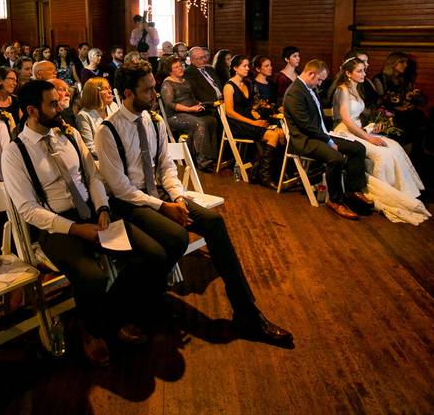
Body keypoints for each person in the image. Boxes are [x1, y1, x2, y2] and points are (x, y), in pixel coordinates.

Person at [95, 60, 293, 347]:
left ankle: (247, 312)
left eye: (154, 88)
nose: (155, 95)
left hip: (161, 194)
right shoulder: (108, 131)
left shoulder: (154, 120)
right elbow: (120, 189)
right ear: (127, 93)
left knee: (214, 222)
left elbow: (166, 167)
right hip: (130, 204)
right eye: (148, 90)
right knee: (174, 237)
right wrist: (164, 207)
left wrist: (177, 197)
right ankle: (143, 302)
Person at [1, 79, 169, 366]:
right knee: (93, 276)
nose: (60, 107)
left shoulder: (67, 134)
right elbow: (28, 209)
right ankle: (93, 331)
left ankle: (109, 317)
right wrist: (76, 228)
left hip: (93, 212)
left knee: (154, 255)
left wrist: (102, 208)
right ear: (31, 110)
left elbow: (92, 176)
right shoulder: (15, 152)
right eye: (52, 104)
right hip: (56, 225)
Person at [328, 58, 431, 224]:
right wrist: (368, 137)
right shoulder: (343, 90)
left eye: (364, 70)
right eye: (360, 71)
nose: (364, 74)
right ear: (348, 73)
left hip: (359, 129)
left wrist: (372, 125)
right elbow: (347, 120)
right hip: (345, 132)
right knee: (381, 154)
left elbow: (359, 115)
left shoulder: (356, 88)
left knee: (394, 147)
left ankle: (402, 190)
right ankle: (368, 192)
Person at [283, 60, 372, 220]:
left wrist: (332, 135)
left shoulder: (308, 87)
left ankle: (353, 190)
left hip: (319, 134)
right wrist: (330, 141)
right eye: (319, 79)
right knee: (335, 157)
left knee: (358, 148)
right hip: (304, 140)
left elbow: (318, 118)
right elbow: (306, 126)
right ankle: (335, 201)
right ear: (311, 73)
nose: (320, 83)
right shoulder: (294, 92)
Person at [222, 55, 285, 187]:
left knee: (280, 133)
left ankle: (263, 171)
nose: (247, 68)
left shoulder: (246, 83)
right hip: (237, 124)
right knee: (272, 136)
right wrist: (253, 123)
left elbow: (249, 108)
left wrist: (259, 117)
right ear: (235, 68)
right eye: (244, 66)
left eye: (247, 65)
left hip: (249, 120)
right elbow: (230, 112)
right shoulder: (229, 86)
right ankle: (264, 176)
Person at [159, 57, 217, 171]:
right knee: (199, 124)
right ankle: (202, 161)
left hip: (191, 111)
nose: (180, 68)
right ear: (170, 71)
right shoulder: (167, 83)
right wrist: (190, 109)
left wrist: (198, 104)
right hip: (175, 116)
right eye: (176, 67)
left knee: (212, 120)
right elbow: (170, 104)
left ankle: (211, 156)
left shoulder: (185, 81)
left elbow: (192, 98)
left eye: (180, 65)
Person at [74, 77, 118, 159]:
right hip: (102, 159)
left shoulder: (113, 106)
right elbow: (90, 146)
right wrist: (113, 156)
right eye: (105, 89)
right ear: (94, 93)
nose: (110, 91)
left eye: (109, 88)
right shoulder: (84, 115)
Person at [0, 66, 23, 130]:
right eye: (11, 79)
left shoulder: (16, 100)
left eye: (16, 80)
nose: (15, 83)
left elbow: (21, 124)